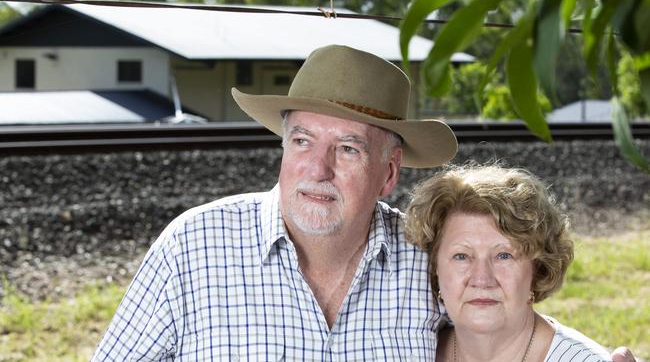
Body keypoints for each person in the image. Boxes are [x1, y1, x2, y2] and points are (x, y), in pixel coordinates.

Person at [91, 45, 636, 361]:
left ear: (388, 173)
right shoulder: (194, 247)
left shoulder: (423, 259)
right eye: (302, 141)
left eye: (347, 148)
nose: (317, 169)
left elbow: (507, 316)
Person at [405, 164, 621, 362]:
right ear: (435, 270)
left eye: (503, 256)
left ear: (537, 268)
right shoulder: (414, 352)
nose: (482, 279)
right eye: (461, 256)